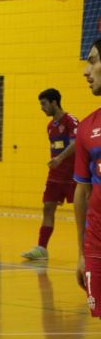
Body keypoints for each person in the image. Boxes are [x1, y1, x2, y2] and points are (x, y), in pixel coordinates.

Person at [22, 89, 78, 260]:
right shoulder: (49, 127)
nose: (42, 108)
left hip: (74, 176)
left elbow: (76, 144)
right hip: (55, 176)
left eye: (44, 103)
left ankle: (91, 248)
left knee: (84, 212)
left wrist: (60, 158)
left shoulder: (71, 121)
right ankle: (42, 248)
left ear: (54, 103)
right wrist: (56, 162)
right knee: (47, 208)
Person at [75, 38, 101, 317]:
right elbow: (81, 193)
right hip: (96, 245)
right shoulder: (87, 128)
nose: (86, 70)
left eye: (92, 60)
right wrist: (82, 254)